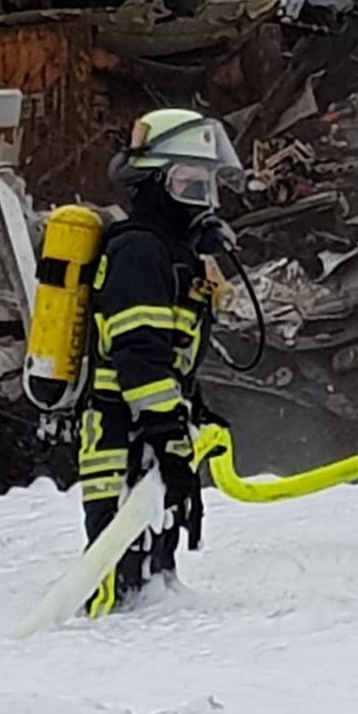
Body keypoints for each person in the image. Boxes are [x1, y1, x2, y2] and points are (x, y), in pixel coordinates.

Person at [78, 108, 245, 616]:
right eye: (190, 185)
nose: (203, 201)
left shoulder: (176, 255)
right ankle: (90, 654)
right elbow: (139, 356)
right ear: (153, 184)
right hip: (120, 437)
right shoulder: (138, 251)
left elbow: (173, 354)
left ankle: (151, 640)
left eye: (208, 186)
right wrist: (168, 433)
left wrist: (191, 411)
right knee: (116, 580)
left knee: (156, 568)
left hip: (150, 429)